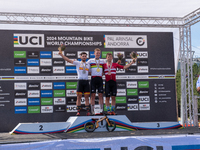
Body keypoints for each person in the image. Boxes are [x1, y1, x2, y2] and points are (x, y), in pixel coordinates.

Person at [58, 47, 91, 116]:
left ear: (86, 57)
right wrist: (61, 55)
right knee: (78, 97)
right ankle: (78, 111)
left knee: (87, 97)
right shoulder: (78, 63)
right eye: (83, 56)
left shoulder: (88, 64)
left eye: (85, 56)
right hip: (80, 81)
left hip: (86, 81)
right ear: (80, 56)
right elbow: (68, 60)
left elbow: (90, 72)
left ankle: (88, 111)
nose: (84, 57)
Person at [87, 48, 105, 115]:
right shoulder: (90, 61)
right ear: (94, 53)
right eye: (97, 53)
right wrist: (89, 72)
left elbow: (107, 67)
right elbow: (85, 67)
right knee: (93, 95)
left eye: (99, 53)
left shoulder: (103, 61)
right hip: (93, 79)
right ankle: (92, 111)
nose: (98, 54)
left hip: (100, 79)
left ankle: (101, 110)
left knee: (100, 95)